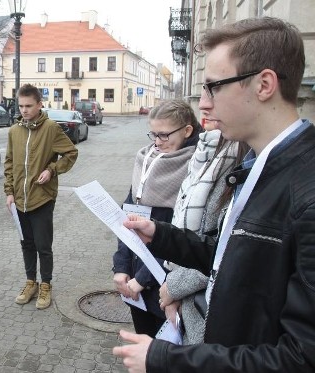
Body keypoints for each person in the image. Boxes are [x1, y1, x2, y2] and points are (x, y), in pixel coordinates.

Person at [113, 17, 315, 372]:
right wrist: (161, 235)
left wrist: (166, 359)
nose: (203, 103)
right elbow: (232, 262)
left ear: (264, 84)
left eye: (213, 87)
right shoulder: (257, 164)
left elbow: (299, 358)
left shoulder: (305, 192)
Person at [112, 99, 201, 338]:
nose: (157, 143)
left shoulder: (197, 168)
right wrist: (121, 267)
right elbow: (127, 217)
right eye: (153, 134)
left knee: (164, 353)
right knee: (144, 341)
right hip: (134, 279)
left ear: (187, 131)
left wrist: (142, 280)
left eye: (164, 135)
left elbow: (182, 235)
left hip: (167, 285)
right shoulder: (147, 160)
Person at [158, 124, 245, 345]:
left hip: (210, 313)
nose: (205, 103)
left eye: (213, 89)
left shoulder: (244, 161)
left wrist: (174, 287)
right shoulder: (206, 153)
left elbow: (230, 251)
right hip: (183, 293)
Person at [4, 83, 78, 310]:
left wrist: (51, 169)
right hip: (20, 201)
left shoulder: (51, 129)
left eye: (29, 106)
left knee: (43, 246)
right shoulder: (14, 131)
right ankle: (30, 283)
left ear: (39, 105)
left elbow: (71, 153)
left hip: (42, 198)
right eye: (21, 106)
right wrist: (9, 192)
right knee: (26, 243)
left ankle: (46, 285)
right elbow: (9, 163)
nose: (24, 110)